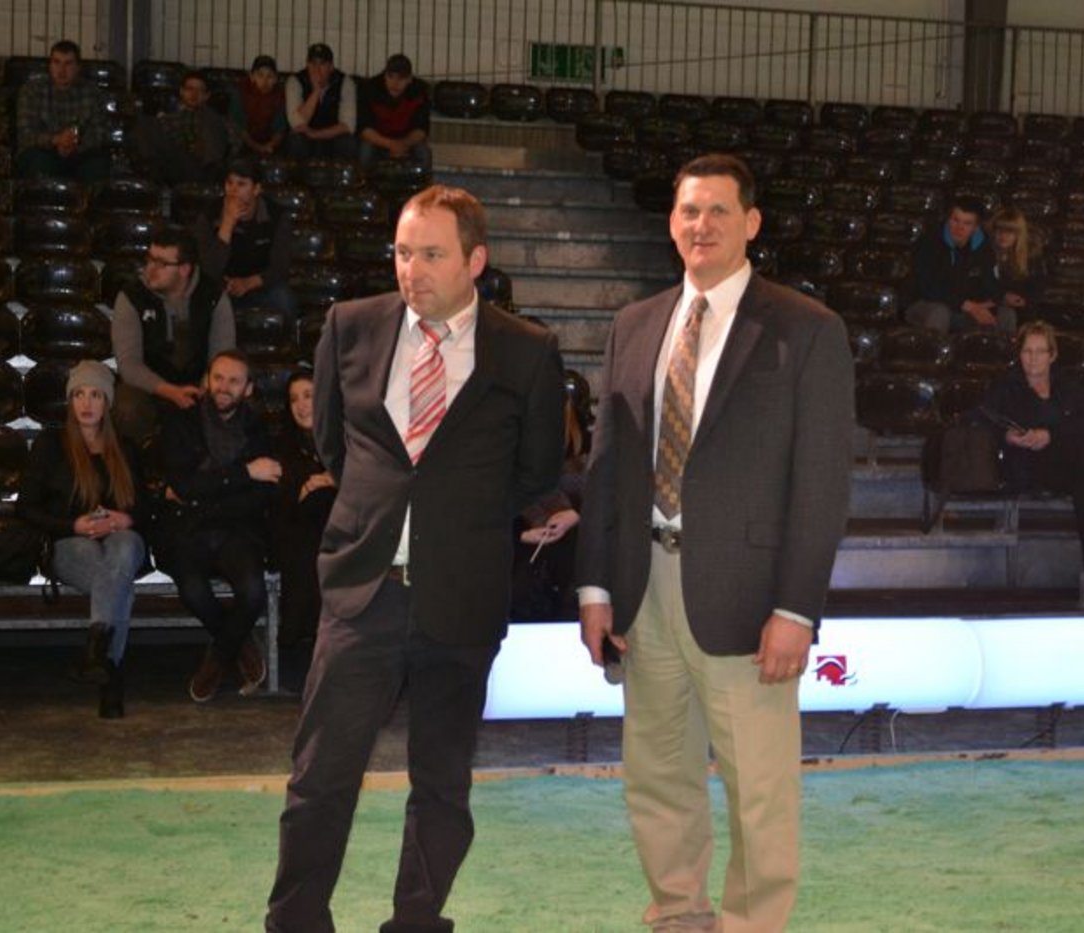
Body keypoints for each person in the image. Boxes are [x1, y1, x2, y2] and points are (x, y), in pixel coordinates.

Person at [266, 185, 564, 932]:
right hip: (363, 593)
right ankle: (296, 921)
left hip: (460, 598)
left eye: (431, 253)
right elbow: (335, 443)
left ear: (476, 260)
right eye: (403, 251)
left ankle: (417, 922)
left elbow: (534, 471)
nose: (412, 268)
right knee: (318, 780)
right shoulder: (350, 326)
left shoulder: (527, 351)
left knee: (441, 784)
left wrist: (452, 521)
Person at [575, 153, 854, 932]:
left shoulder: (807, 330)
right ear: (672, 222)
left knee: (761, 791)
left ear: (751, 223)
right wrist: (596, 587)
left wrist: (797, 607)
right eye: (689, 211)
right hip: (644, 589)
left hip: (749, 598)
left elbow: (823, 485)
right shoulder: (634, 326)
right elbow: (606, 468)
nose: (701, 225)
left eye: (719, 212)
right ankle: (677, 913)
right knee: (658, 776)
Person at [16, 360, 149, 719]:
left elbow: (150, 510)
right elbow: (26, 509)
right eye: (78, 394)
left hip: (122, 541)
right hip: (69, 543)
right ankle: (111, 675)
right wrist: (72, 525)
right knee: (117, 581)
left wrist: (127, 518)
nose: (86, 404)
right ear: (70, 401)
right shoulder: (50, 445)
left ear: (107, 402)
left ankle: (96, 651)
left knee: (123, 547)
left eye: (95, 395)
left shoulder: (126, 448)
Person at [154, 350, 278, 702]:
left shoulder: (258, 429)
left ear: (249, 389)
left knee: (253, 591)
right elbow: (183, 484)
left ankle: (219, 656)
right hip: (188, 529)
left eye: (234, 381)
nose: (224, 387)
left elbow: (260, 496)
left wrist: (206, 491)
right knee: (192, 591)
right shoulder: (181, 421)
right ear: (207, 380)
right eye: (218, 378)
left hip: (238, 529)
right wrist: (244, 473)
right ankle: (239, 647)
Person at [981, 322, 1084, 546]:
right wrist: (1007, 436)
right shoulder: (1006, 387)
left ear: (1052, 355)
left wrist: (1051, 435)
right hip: (1029, 462)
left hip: (1070, 458)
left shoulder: (1069, 384)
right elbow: (984, 423)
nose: (1033, 358)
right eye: (1027, 351)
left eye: (1040, 351)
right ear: (1019, 354)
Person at [111, 226, 236, 443]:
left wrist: (204, 388)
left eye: (162, 264)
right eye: (150, 259)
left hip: (200, 385)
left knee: (235, 398)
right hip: (149, 387)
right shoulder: (131, 297)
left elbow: (223, 357)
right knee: (126, 407)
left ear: (185, 269)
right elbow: (129, 365)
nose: (151, 269)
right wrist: (170, 392)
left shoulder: (213, 296)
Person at [271, 369, 335, 690]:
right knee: (309, 538)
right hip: (296, 531)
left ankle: (297, 638)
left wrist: (327, 483)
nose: (301, 405)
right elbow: (284, 501)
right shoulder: (282, 444)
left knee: (322, 503)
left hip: (337, 531)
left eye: (308, 395)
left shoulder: (345, 438)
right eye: (294, 398)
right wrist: (309, 486)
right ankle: (307, 646)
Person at [512, 372, 590, 621]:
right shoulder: (509, 450)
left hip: (570, 577)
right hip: (521, 577)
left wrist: (576, 514)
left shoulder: (588, 452)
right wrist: (521, 535)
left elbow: (610, 505)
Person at [192, 159, 297, 321]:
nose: (233, 190)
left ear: (256, 189)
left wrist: (248, 283)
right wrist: (227, 224)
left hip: (260, 284)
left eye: (241, 184)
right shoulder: (208, 215)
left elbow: (280, 267)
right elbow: (208, 270)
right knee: (200, 295)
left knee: (283, 298)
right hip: (222, 285)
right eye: (229, 183)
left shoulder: (277, 216)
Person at [13, 39, 111, 182]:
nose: (61, 70)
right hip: (44, 152)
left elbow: (100, 133)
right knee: (37, 162)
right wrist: (56, 140)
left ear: (78, 67)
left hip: (80, 153)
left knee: (99, 164)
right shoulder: (31, 91)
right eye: (56, 62)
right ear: (49, 65)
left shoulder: (92, 93)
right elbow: (25, 134)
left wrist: (74, 144)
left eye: (68, 63)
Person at [906, 195, 1000, 334]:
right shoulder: (930, 242)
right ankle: (932, 354)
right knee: (940, 312)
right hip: (925, 303)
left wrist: (987, 304)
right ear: (948, 219)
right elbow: (928, 288)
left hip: (965, 307)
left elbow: (990, 283)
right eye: (955, 220)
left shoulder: (984, 247)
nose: (959, 227)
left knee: (1005, 314)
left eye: (967, 223)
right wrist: (967, 305)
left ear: (975, 227)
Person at [133, 70, 231, 184]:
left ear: (206, 96)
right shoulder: (168, 118)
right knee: (145, 124)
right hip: (168, 163)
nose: (194, 94)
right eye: (190, 89)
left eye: (200, 90)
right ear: (181, 91)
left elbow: (224, 145)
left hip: (199, 168)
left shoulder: (213, 120)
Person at [356, 53, 431, 169]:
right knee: (365, 150)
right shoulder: (370, 89)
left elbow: (421, 130)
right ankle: (364, 184)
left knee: (423, 152)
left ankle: (423, 186)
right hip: (379, 139)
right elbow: (365, 130)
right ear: (384, 75)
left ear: (410, 79)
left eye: (401, 78)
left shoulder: (419, 92)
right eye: (390, 76)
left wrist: (403, 144)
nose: (394, 83)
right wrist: (391, 145)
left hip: (407, 140)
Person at [284, 42, 358, 160]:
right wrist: (316, 91)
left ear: (331, 67)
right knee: (296, 140)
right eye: (313, 64)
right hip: (305, 138)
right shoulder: (295, 81)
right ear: (307, 65)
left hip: (331, 136)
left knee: (348, 142)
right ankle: (298, 178)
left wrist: (315, 134)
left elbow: (348, 126)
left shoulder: (345, 82)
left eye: (322, 64)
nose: (316, 69)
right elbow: (297, 122)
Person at [988, 207, 1045, 329]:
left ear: (1018, 234)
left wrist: (1022, 300)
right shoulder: (985, 254)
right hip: (991, 306)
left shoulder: (1032, 258)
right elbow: (981, 285)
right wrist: (1002, 296)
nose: (1003, 236)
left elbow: (1037, 288)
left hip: (1022, 310)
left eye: (1009, 231)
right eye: (999, 230)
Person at [230, 54, 288, 157]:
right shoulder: (240, 92)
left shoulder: (279, 96)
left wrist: (269, 146)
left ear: (275, 79)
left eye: (269, 76)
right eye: (260, 75)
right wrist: (258, 147)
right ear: (252, 77)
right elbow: (239, 128)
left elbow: (280, 129)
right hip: (244, 141)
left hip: (271, 143)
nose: (265, 81)